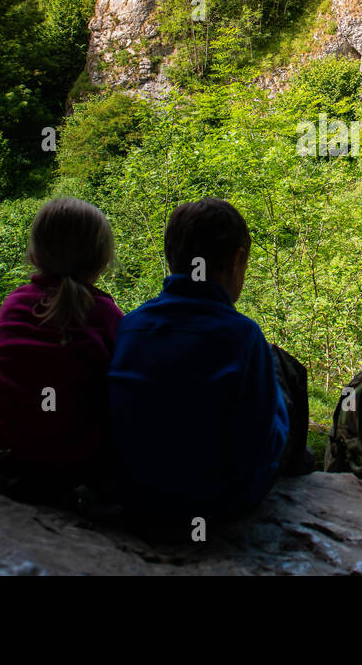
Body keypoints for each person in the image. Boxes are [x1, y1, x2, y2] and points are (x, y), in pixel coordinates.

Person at [107, 197, 312, 522]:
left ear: (171, 258)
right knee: (282, 367)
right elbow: (262, 445)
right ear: (237, 260)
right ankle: (304, 467)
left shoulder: (131, 325)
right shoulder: (244, 336)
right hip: (221, 502)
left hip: (138, 494)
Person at [0, 197, 122, 498]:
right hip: (77, 467)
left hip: (5, 457)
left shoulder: (15, 304)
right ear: (102, 260)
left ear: (35, 254)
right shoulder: (106, 315)